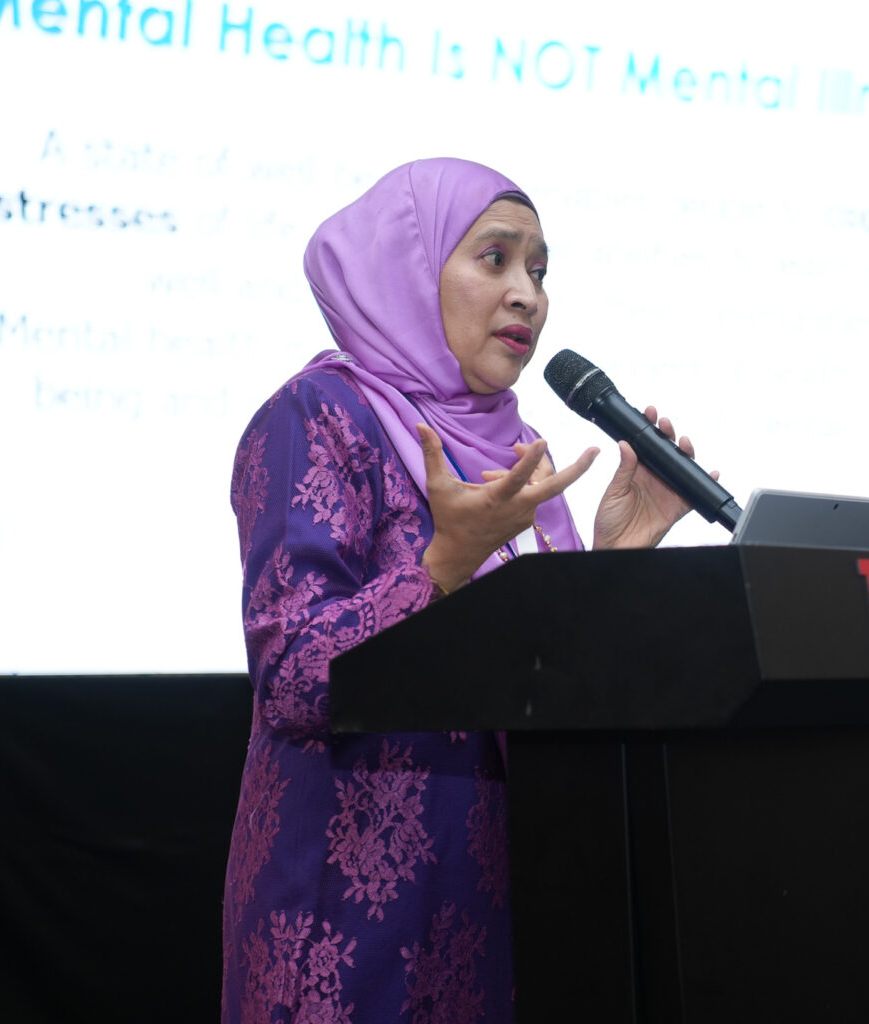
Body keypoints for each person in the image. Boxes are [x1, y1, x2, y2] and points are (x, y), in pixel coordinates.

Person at [220, 157, 701, 1024]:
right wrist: (443, 563)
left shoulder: (517, 453)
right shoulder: (319, 417)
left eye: (540, 271)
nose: (528, 295)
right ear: (406, 266)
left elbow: (545, 680)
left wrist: (612, 561)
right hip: (341, 918)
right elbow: (290, 677)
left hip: (494, 917)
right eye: (496, 258)